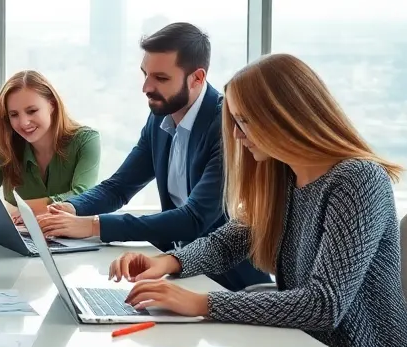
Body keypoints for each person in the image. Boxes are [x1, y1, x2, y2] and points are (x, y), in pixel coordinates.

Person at [107, 53, 407, 347]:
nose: (238, 135)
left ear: (286, 117)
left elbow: (323, 304)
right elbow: (228, 242)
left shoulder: (357, 180)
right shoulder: (285, 175)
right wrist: (167, 263)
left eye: (245, 121)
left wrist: (202, 304)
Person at [36, 22, 269, 291]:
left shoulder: (227, 126)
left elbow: (194, 219)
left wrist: (92, 226)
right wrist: (70, 209)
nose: (146, 87)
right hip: (178, 273)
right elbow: (119, 187)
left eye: (161, 78)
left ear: (197, 78)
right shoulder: (161, 116)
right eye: (145, 74)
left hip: (229, 283)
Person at [0, 70, 99, 217]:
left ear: (52, 105)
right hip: (21, 236)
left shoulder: (86, 140)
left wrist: (21, 210)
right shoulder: (8, 144)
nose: (24, 122)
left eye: (32, 111)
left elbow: (82, 195)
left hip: (73, 237)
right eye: (14, 115)